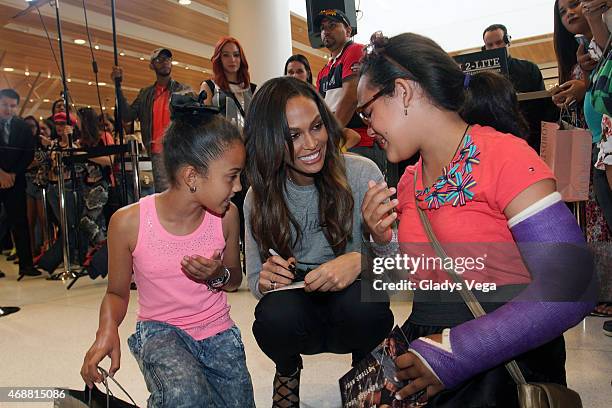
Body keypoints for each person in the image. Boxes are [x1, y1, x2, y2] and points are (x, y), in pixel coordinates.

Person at [358, 32, 595, 406]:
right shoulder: (407, 181)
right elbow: (411, 281)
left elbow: (573, 286)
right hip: (427, 351)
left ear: (402, 92)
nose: (368, 128)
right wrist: (381, 239)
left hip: (504, 365)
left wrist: (458, 351)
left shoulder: (504, 156)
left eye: (367, 111)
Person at [81, 95, 255, 407]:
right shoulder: (128, 223)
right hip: (160, 332)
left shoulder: (226, 216)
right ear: (192, 176)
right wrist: (106, 330)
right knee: (185, 395)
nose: (239, 186)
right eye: (232, 176)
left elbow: (233, 279)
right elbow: (117, 293)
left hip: (218, 331)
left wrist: (218, 275)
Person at [244, 77, 393, 407]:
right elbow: (255, 281)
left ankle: (365, 373)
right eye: (293, 136)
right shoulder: (258, 198)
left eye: (316, 126)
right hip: (297, 313)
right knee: (271, 317)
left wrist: (362, 261)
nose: (312, 143)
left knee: (368, 307)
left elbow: (399, 272)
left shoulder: (361, 173)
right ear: (270, 141)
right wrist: (266, 281)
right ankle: (287, 370)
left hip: (353, 310)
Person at [314, 9, 390, 179]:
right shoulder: (323, 71)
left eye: (332, 25)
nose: (326, 31)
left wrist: (327, 138)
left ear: (348, 30)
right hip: (340, 141)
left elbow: (351, 97)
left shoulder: (355, 50)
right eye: (323, 27)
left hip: (362, 142)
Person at [112, 47, 189, 193]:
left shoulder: (182, 89)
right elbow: (127, 115)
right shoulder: (145, 94)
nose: (165, 62)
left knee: (184, 192)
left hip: (180, 151)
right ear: (152, 65)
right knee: (166, 195)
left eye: (167, 59)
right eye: (159, 60)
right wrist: (118, 87)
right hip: (158, 153)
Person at [0, 88, 40, 278]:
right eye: (5, 105)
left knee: (20, 222)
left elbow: (28, 153)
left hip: (16, 180)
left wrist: (13, 173)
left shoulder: (22, 127)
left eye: (12, 106)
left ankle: (26, 265)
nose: (8, 109)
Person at [284, 53, 361, 151]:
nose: (295, 76)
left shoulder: (317, 100)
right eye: (290, 72)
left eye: (300, 71)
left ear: (307, 73)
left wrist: (337, 153)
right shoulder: (281, 104)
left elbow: (353, 136)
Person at [200, 36, 256, 128]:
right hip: (219, 140)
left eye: (236, 55)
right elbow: (205, 122)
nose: (232, 60)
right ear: (219, 58)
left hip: (248, 141)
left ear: (241, 58)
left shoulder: (253, 89)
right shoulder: (209, 86)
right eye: (226, 55)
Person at [482, 24, 546, 93]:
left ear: (508, 41)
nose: (495, 48)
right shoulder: (480, 77)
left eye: (499, 42)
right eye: (490, 45)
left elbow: (542, 100)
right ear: (484, 48)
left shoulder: (529, 69)